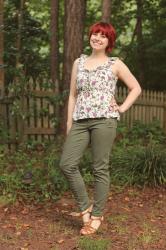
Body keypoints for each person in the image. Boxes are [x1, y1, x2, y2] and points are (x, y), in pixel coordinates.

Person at [59, 22, 141, 235]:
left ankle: (96, 215)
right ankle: (85, 206)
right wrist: (69, 122)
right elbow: (72, 95)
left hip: (105, 120)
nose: (97, 38)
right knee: (67, 164)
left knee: (99, 168)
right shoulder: (80, 61)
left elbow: (136, 88)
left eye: (102, 36)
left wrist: (121, 107)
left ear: (108, 41)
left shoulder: (115, 63)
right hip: (80, 120)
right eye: (94, 34)